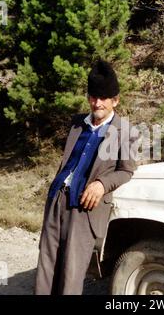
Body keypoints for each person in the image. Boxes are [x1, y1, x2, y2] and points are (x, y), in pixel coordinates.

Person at [34, 59, 137, 295]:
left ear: (115, 101)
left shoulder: (126, 132)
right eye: (93, 96)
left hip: (84, 207)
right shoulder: (76, 123)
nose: (97, 103)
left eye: (103, 98)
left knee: (72, 271)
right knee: (47, 264)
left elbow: (127, 170)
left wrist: (102, 184)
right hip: (57, 199)